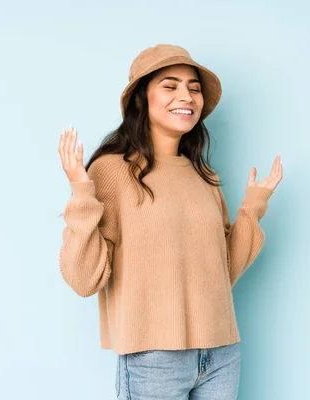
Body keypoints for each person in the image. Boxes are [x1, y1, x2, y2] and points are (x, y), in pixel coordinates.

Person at [57, 44, 283, 399]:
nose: (187, 96)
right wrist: (82, 192)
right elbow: (84, 279)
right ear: (140, 99)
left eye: (194, 88)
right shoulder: (112, 171)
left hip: (222, 352)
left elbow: (224, 270)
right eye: (170, 84)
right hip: (154, 358)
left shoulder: (202, 176)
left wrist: (253, 208)